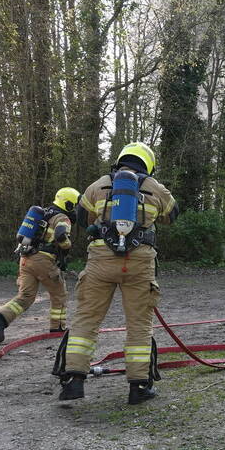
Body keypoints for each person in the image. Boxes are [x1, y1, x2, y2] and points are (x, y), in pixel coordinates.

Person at [54, 142, 178, 405]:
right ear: (148, 164)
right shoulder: (155, 187)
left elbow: (82, 215)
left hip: (101, 261)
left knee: (86, 319)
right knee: (139, 324)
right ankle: (139, 387)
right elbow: (172, 215)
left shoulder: (98, 185)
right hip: (139, 262)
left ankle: (74, 381)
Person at [0, 188, 80, 342]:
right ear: (68, 204)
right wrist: (67, 246)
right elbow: (61, 235)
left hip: (26, 259)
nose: (75, 210)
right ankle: (58, 328)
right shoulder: (63, 217)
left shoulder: (44, 213)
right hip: (44, 261)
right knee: (59, 294)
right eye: (74, 206)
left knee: (26, 296)